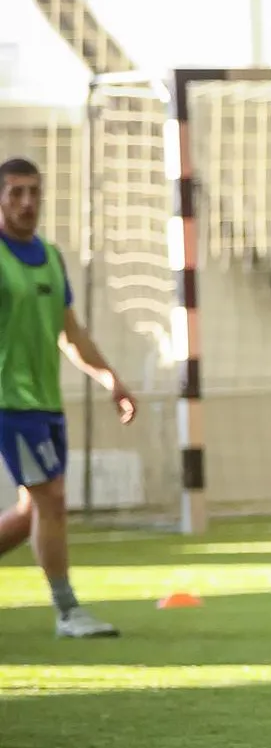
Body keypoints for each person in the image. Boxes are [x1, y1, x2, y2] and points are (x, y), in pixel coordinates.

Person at [0, 157, 137, 638]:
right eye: (15, 192)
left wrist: (110, 380)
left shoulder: (52, 258)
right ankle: (67, 611)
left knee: (30, 513)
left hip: (46, 404)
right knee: (52, 501)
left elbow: (70, 333)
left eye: (33, 192)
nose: (26, 202)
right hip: (8, 404)